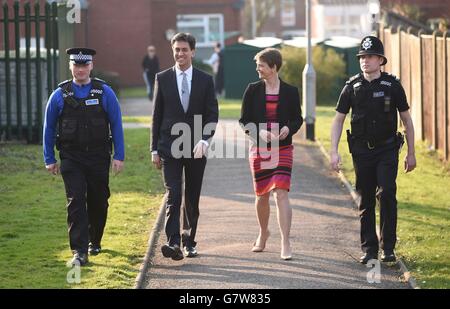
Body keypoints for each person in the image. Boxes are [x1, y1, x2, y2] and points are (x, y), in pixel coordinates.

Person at [330, 36, 416, 264]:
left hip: (387, 149)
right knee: (365, 199)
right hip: (361, 151)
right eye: (362, 57)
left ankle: (388, 247)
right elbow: (338, 120)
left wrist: (412, 152)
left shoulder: (392, 86)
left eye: (369, 57)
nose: (365, 61)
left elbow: (407, 120)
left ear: (380, 60)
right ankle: (369, 249)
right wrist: (333, 151)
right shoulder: (351, 87)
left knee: (387, 192)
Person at [43, 47, 125, 266]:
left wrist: (119, 155)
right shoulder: (59, 95)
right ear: (70, 66)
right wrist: (49, 158)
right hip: (71, 158)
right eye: (76, 65)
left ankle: (94, 240)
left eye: (84, 65)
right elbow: (49, 128)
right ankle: (79, 251)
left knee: (99, 200)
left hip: (99, 157)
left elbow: (116, 124)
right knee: (76, 201)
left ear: (91, 66)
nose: (80, 69)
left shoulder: (104, 92)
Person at [151, 33, 219, 261]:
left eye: (184, 49)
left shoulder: (205, 80)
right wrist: (154, 149)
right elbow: (156, 115)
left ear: (193, 51)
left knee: (191, 196)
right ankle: (173, 242)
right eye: (176, 49)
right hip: (169, 147)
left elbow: (212, 114)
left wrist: (204, 140)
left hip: (195, 148)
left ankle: (189, 242)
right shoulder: (163, 78)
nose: (180, 53)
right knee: (174, 194)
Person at [239, 48, 303, 260]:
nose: (258, 69)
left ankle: (285, 241)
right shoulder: (252, 89)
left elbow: (297, 118)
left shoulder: (291, 91)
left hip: (283, 148)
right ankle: (263, 232)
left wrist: (289, 129)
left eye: (261, 65)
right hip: (260, 149)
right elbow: (244, 121)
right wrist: (259, 131)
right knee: (262, 194)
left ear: (274, 67)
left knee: (281, 192)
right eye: (257, 65)